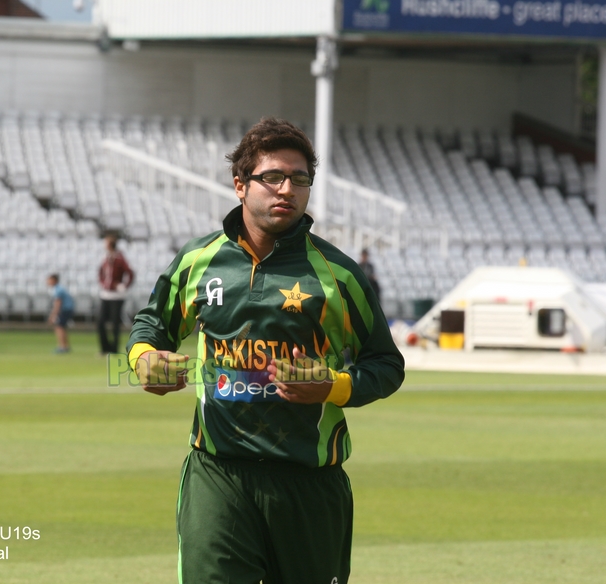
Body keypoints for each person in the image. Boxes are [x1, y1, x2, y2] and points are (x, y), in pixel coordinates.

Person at [126, 117, 405, 584]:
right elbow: (152, 326)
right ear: (240, 185)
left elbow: (386, 365)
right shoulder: (199, 262)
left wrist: (332, 387)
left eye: (299, 179)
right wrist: (144, 362)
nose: (286, 190)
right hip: (218, 475)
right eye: (272, 177)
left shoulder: (339, 275)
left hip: (309, 484)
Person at [97, 234, 134, 355]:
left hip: (117, 297)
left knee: (115, 323)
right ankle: (104, 348)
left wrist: (123, 286)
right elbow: (101, 272)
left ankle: (114, 349)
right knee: (101, 322)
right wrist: (103, 283)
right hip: (105, 294)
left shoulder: (119, 258)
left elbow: (130, 273)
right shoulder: (105, 257)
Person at [46, 273, 74, 354]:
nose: (48, 282)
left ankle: (62, 347)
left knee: (59, 327)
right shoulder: (59, 288)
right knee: (62, 327)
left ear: (54, 280)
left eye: (49, 280)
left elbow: (58, 304)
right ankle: (65, 346)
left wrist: (53, 316)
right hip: (68, 309)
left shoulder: (58, 290)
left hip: (65, 310)